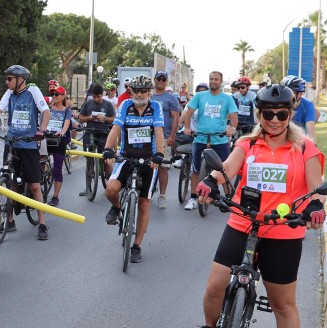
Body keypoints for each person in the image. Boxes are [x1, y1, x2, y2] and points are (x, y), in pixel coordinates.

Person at [190, 84, 325, 328]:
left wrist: (316, 206)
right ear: (259, 114)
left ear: (290, 114)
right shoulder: (248, 143)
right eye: (268, 114)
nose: (274, 120)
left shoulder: (305, 149)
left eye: (281, 114)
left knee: (283, 304)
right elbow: (227, 169)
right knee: (214, 286)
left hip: (283, 230)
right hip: (243, 222)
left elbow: (316, 188)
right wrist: (211, 181)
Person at [0, 64, 51, 240]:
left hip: (28, 143)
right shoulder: (9, 94)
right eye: (7, 78)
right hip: (11, 142)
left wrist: (41, 129)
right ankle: (9, 220)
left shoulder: (33, 91)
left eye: (10, 79)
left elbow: (46, 112)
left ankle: (42, 223)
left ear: (20, 79)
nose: (7, 82)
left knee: (34, 185)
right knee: (10, 181)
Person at [102, 74, 165, 263]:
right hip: (127, 156)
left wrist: (159, 155)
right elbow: (115, 129)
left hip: (148, 159)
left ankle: (137, 245)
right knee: (111, 188)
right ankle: (116, 207)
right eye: (135, 90)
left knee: (144, 202)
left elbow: (159, 131)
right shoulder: (125, 106)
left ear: (149, 92)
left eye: (143, 91)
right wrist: (107, 149)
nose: (139, 94)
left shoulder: (155, 107)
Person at [181, 71, 238, 210]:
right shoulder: (200, 96)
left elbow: (234, 116)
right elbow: (188, 112)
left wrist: (232, 128)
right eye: (211, 79)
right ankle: (193, 198)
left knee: (224, 169)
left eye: (216, 79)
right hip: (200, 137)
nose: (213, 81)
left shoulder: (227, 98)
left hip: (219, 139)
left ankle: (228, 198)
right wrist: (187, 127)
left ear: (221, 81)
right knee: (195, 169)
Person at [78, 83, 115, 196]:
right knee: (89, 160)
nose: (96, 99)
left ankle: (110, 183)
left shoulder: (108, 104)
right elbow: (80, 118)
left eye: (98, 96)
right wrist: (90, 118)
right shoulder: (87, 104)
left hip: (104, 133)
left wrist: (104, 118)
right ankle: (88, 186)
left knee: (106, 160)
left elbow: (113, 119)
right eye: (94, 97)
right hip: (90, 133)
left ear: (102, 94)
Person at [150, 70, 180, 209]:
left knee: (163, 168)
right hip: (147, 136)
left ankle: (162, 196)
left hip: (165, 136)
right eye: (159, 78)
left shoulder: (171, 98)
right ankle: (147, 191)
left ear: (166, 81)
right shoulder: (148, 95)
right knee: (146, 166)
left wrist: (172, 136)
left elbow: (176, 118)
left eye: (163, 79)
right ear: (154, 80)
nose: (161, 81)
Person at [46, 86, 73, 206]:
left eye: (57, 94)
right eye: (53, 94)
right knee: (39, 164)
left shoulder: (67, 111)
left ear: (63, 97)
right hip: (46, 138)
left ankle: (55, 196)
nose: (54, 97)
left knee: (57, 169)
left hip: (59, 140)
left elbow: (67, 123)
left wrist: (62, 132)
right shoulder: (47, 109)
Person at [281, 75, 319, 143]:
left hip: (299, 140)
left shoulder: (307, 105)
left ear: (300, 94)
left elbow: (311, 132)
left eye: (293, 92)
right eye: (285, 92)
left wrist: (313, 148)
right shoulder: (279, 104)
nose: (288, 96)